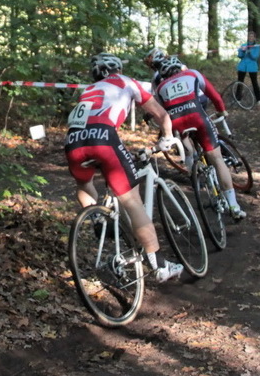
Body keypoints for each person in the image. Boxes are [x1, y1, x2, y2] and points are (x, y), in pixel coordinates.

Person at [64, 52, 184, 283]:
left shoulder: (87, 90)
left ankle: (98, 219)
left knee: (84, 183)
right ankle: (159, 266)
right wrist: (167, 137)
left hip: (73, 142)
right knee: (132, 201)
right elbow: (160, 114)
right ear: (118, 69)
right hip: (103, 138)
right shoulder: (127, 82)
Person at [154, 55, 247, 220]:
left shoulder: (160, 86)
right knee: (217, 159)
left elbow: (161, 114)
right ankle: (234, 205)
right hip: (198, 117)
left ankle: (194, 176)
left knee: (188, 151)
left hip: (178, 122)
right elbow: (214, 96)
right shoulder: (192, 74)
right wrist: (221, 110)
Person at [236, 31, 260, 105]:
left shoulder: (256, 46)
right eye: (249, 36)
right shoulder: (244, 45)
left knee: (255, 83)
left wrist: (250, 51)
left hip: (252, 67)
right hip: (242, 66)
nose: (250, 38)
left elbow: (255, 57)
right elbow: (240, 56)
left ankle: (259, 99)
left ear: (254, 38)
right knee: (240, 82)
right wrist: (242, 51)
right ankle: (238, 99)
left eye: (252, 36)